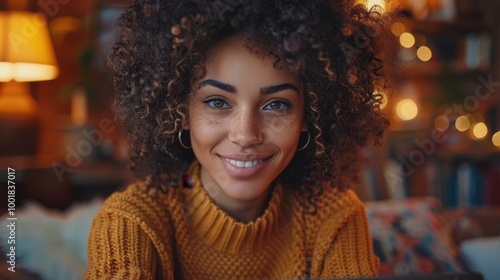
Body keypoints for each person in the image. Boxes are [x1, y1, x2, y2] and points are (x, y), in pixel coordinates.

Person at [85, 0, 394, 279]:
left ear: (308, 117)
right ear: (180, 111)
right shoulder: (133, 223)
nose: (245, 135)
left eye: (277, 105)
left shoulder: (336, 218)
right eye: (218, 102)